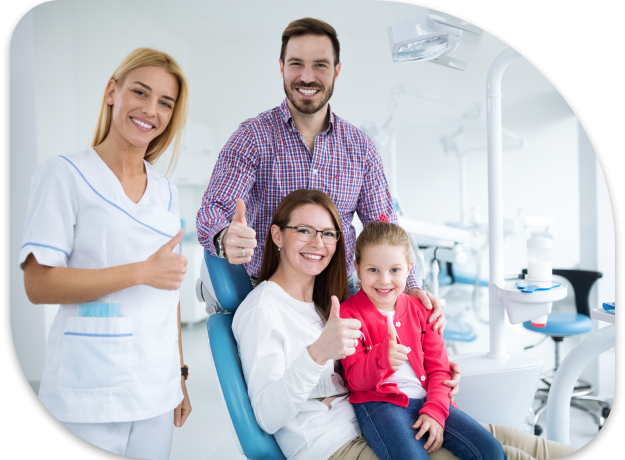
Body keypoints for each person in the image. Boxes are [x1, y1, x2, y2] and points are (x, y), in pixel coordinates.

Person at [233, 189, 579, 460]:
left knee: (524, 444)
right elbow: (266, 417)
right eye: (304, 231)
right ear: (277, 236)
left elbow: (398, 315)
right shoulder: (263, 310)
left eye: (328, 233)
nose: (318, 243)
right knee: (509, 457)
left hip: (401, 412)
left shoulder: (326, 300)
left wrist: (434, 371)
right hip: (339, 441)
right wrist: (317, 353)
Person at [196, 17, 446, 331]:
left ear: (336, 71)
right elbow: (212, 211)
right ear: (282, 66)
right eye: (296, 64)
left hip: (339, 295)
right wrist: (224, 237)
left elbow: (384, 230)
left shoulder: (360, 147)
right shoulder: (252, 137)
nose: (307, 76)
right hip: (271, 295)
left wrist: (410, 286)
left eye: (320, 65)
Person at [20, 48, 192, 460]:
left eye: (165, 103)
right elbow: (38, 284)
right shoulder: (64, 173)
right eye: (141, 92)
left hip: (157, 383)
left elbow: (170, 287)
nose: (151, 110)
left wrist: (180, 374)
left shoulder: (166, 189)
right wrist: (140, 272)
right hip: (89, 386)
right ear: (112, 91)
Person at [340, 220, 505, 459]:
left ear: (409, 269)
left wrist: (435, 411)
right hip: (380, 404)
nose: (384, 280)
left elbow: (440, 370)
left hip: (428, 397)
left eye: (395, 270)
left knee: (491, 451)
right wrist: (380, 358)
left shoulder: (423, 309)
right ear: (357, 267)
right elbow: (355, 380)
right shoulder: (348, 313)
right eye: (373, 270)